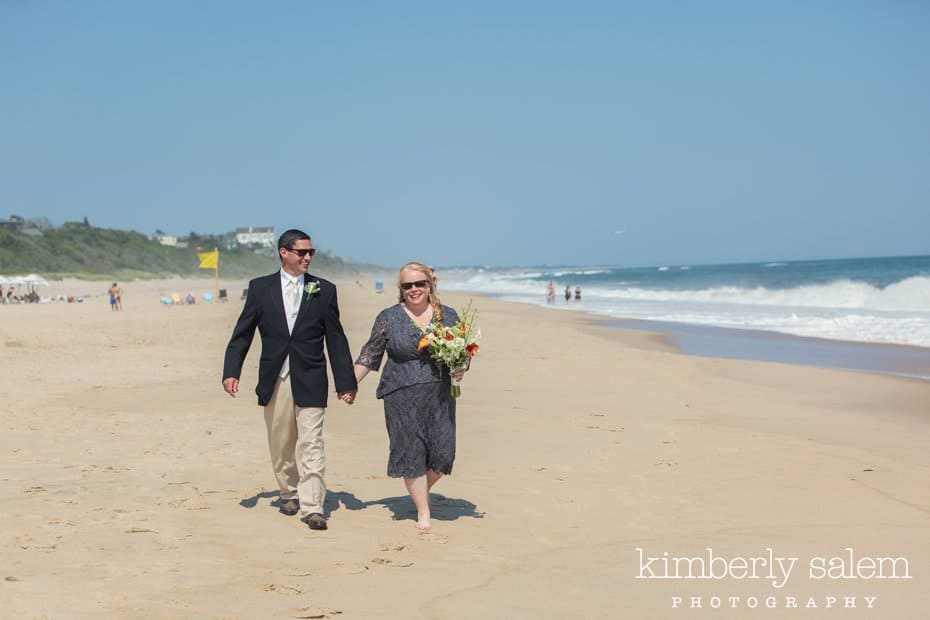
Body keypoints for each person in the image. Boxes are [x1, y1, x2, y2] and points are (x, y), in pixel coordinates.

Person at [222, 229, 358, 531]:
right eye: (302, 252)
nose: (308, 257)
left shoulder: (325, 289)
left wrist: (345, 381)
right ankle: (289, 491)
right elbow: (242, 332)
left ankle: (312, 506)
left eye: (311, 253)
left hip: (311, 375)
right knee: (281, 442)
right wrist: (232, 370)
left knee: (312, 443)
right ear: (284, 253)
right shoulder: (260, 288)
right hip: (276, 377)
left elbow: (336, 338)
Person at [353, 262, 469, 531]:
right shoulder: (388, 317)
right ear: (401, 289)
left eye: (419, 284)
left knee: (443, 455)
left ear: (430, 285)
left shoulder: (448, 316)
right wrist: (349, 384)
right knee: (411, 453)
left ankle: (418, 490)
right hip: (400, 394)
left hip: (439, 394)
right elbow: (370, 355)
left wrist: (461, 367)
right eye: (408, 285)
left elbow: (462, 353)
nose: (414, 289)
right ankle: (423, 511)